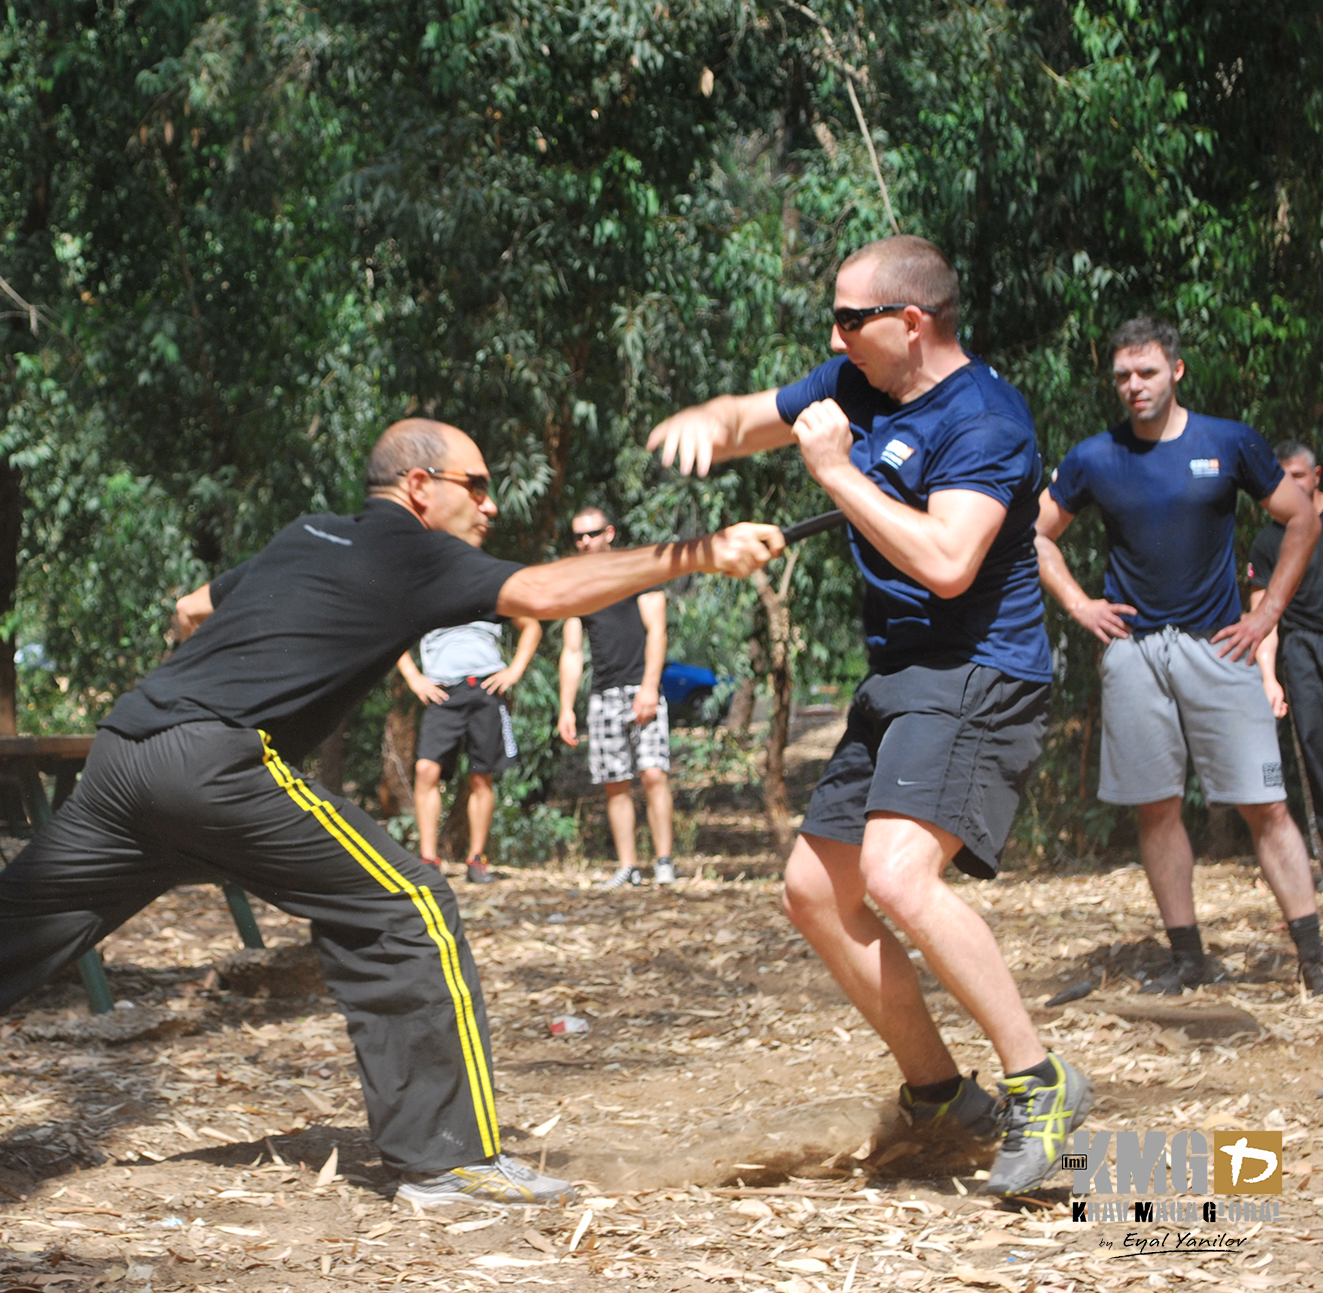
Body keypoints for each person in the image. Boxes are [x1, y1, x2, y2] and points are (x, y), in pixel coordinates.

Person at [0, 418, 783, 1207]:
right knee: (405, 905)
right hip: (217, 762)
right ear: (418, 487)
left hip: (128, 754)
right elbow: (545, 594)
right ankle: (446, 1161)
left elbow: (194, 605)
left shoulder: (307, 533)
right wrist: (701, 552)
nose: (488, 504)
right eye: (477, 484)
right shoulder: (415, 547)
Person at [647, 234, 1088, 1196]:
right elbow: (745, 417)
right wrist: (705, 424)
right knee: (813, 891)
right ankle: (939, 1094)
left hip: (978, 673)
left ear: (910, 322)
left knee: (895, 871)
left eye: (849, 318)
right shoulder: (855, 382)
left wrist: (839, 478)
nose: (834, 335)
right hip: (899, 681)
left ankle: (1040, 1078)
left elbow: (945, 562)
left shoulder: (985, 419)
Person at [1037, 318, 1323, 998]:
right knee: (1156, 808)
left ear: (1177, 372)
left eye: (1147, 373)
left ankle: (1313, 958)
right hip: (1135, 654)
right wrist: (1080, 606)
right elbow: (1038, 537)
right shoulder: (1093, 458)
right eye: (1122, 377)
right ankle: (1187, 957)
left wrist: (1268, 613)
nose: (1134, 387)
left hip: (1221, 646)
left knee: (1267, 805)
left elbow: (1301, 519)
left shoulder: (1228, 442)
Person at [554, 508, 677, 887]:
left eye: (591, 533)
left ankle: (664, 863)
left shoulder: (636, 572)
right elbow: (572, 652)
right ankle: (628, 867)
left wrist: (650, 689)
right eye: (578, 537)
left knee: (654, 774)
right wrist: (565, 707)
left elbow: (657, 631)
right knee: (615, 782)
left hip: (642, 689)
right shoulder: (579, 588)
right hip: (603, 695)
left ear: (609, 532)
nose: (585, 542)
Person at [395, 613, 542, 885]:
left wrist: (515, 669)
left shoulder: (487, 592)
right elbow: (393, 629)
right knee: (426, 769)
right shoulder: (430, 590)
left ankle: (476, 861)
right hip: (441, 693)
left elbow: (531, 624)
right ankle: (428, 860)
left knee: (481, 776)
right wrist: (414, 678)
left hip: (485, 689)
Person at [1250, 442, 1323, 854]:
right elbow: (1263, 617)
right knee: (1315, 751)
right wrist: (1268, 677)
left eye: (1298, 476)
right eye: (1283, 478)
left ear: (1316, 476)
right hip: (1300, 650)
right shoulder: (1267, 542)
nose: (1291, 485)